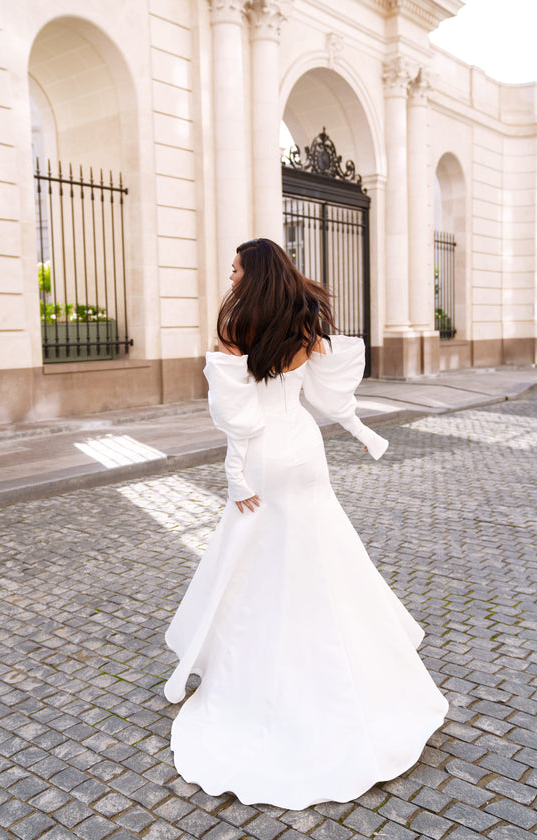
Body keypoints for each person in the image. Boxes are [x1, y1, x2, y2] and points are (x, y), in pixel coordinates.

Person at [164, 238, 448, 810]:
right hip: (303, 448)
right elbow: (329, 394)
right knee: (324, 548)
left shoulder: (237, 330)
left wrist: (234, 473)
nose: (231, 272)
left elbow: (236, 418)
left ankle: (256, 672)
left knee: (254, 555)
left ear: (253, 273)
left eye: (237, 266)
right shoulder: (304, 328)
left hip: (266, 456)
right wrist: (362, 430)